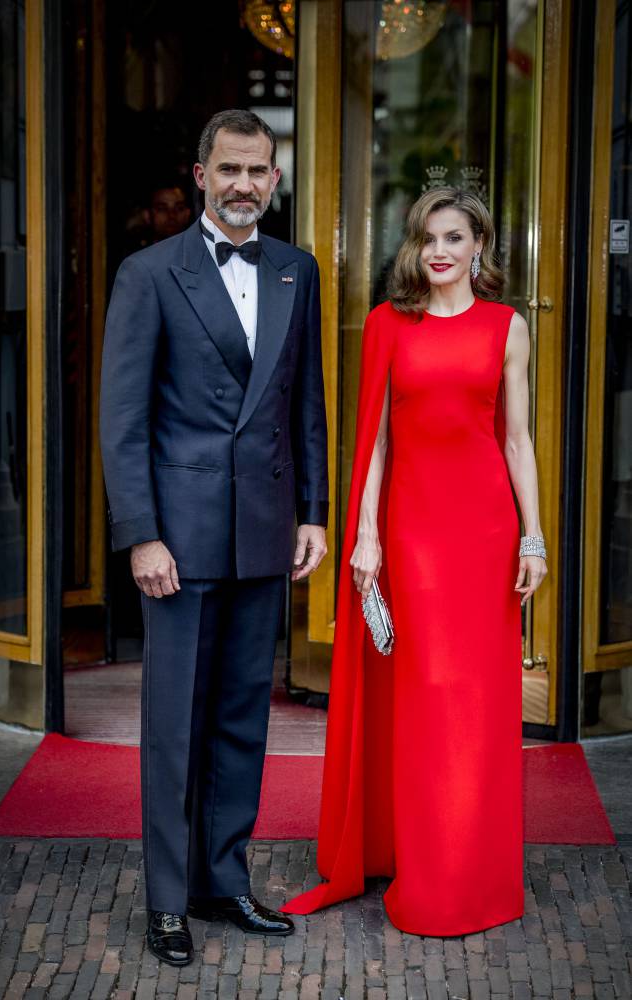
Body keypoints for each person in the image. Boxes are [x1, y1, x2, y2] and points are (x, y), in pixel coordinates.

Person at [283, 187, 547, 936]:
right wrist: (364, 533)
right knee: (428, 697)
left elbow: (517, 441)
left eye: (455, 237)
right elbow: (374, 442)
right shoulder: (387, 325)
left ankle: (473, 873)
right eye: (428, 238)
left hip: (487, 530)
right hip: (414, 534)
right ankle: (423, 867)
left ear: (479, 247)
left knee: (480, 703)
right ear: (413, 247)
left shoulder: (509, 328)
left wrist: (534, 537)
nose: (439, 251)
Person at [99, 109, 329, 966]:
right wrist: (141, 535)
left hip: (265, 533)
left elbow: (305, 403)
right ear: (200, 175)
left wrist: (313, 512)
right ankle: (167, 902)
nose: (243, 185)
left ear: (274, 178)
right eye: (228, 169)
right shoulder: (150, 274)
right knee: (173, 725)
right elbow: (122, 422)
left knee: (241, 720)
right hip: (179, 542)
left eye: (257, 171)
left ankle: (222, 880)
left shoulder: (295, 272)